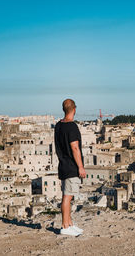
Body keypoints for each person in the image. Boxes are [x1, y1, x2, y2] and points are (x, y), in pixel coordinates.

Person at [54, 99, 86, 236]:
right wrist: (80, 167)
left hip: (63, 164)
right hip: (71, 166)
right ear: (74, 109)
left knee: (68, 195)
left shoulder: (58, 125)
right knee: (67, 197)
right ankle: (65, 226)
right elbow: (74, 147)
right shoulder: (72, 126)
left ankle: (70, 224)